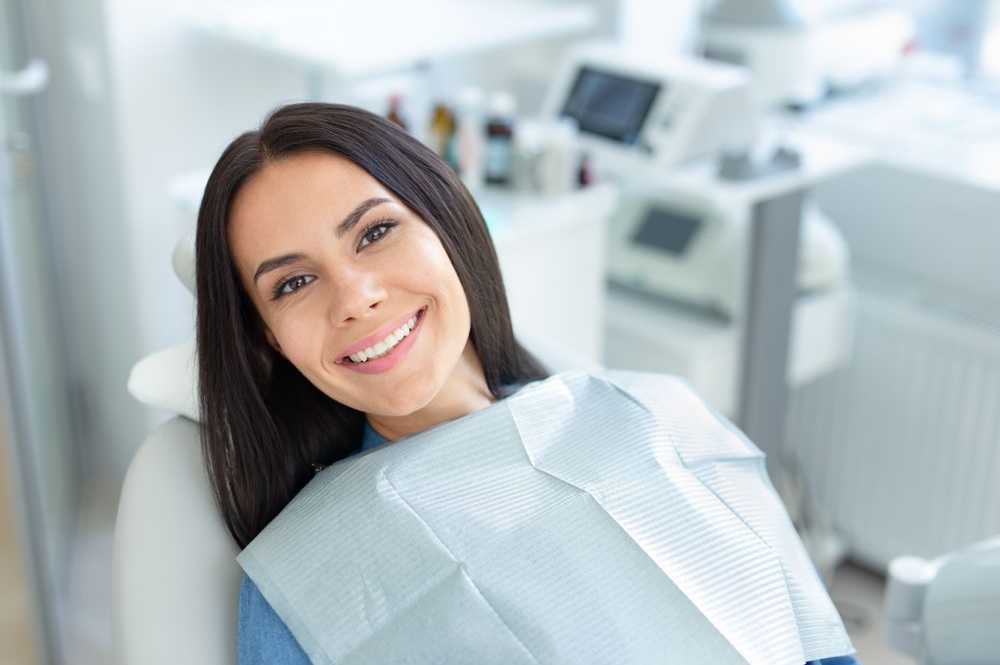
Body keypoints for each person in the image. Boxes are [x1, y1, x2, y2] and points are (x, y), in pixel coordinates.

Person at [196, 102, 860, 664]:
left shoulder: (655, 416)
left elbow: (817, 647)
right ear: (267, 337)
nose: (355, 296)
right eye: (294, 282)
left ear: (448, 222)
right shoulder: (306, 579)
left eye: (375, 232)